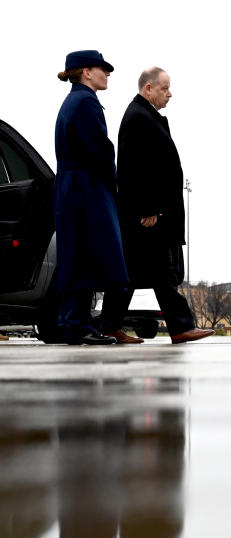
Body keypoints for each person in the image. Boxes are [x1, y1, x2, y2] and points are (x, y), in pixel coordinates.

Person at [99, 67, 214, 345]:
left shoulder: (144, 115)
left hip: (150, 213)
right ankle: (180, 326)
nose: (170, 93)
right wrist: (148, 208)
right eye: (164, 88)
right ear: (148, 88)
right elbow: (133, 168)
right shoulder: (139, 117)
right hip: (148, 215)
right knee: (162, 273)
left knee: (134, 272)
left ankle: (110, 326)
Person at [53, 51, 127, 345]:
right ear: (86, 71)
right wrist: (113, 187)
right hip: (86, 187)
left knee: (76, 254)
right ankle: (77, 325)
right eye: (103, 69)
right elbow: (99, 150)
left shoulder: (73, 101)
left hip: (72, 186)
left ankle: (74, 323)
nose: (107, 74)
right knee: (86, 254)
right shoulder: (85, 102)